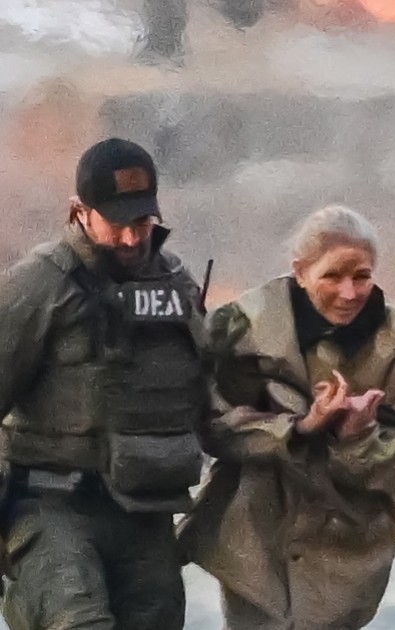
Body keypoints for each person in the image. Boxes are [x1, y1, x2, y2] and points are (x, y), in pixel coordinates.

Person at [177, 205, 395, 630]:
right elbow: (209, 420)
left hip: (346, 542)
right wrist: (298, 428)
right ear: (301, 272)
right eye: (332, 276)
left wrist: (357, 437)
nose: (349, 292)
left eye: (362, 276)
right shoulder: (245, 325)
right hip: (259, 537)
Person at [0, 138, 207, 630]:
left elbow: (209, 396)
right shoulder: (39, 285)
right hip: (51, 508)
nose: (133, 239)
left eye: (143, 222)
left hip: (146, 511)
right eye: (117, 224)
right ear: (80, 212)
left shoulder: (176, 285)